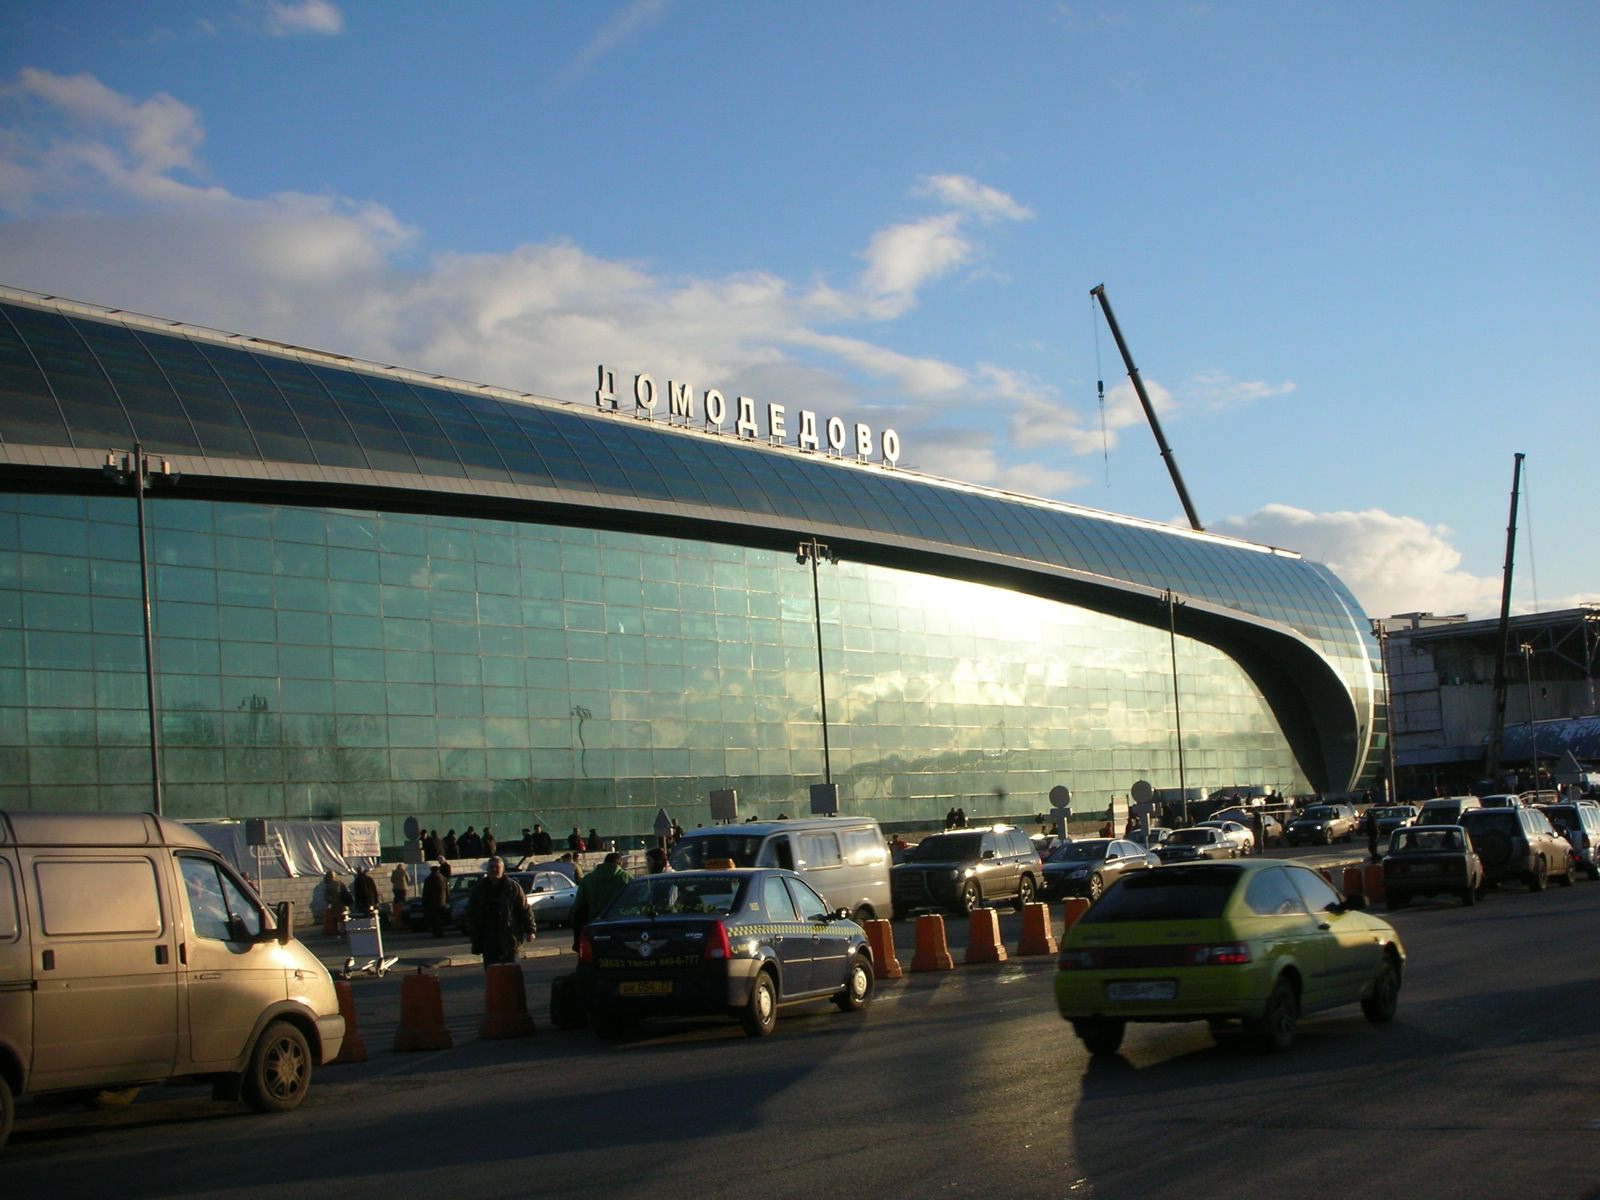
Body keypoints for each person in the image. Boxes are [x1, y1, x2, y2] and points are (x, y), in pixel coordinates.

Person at [466, 856, 533, 970]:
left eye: (497, 867)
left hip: (510, 936)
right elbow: (472, 913)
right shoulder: (479, 889)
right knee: (492, 972)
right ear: (487, 870)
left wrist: (530, 930)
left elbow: (524, 909)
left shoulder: (513, 887)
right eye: (491, 867)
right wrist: (473, 933)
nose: (494, 870)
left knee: (511, 972)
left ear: (503, 869)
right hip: (488, 937)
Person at [571, 851, 632, 950]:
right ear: (620, 864)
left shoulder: (588, 879)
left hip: (594, 926)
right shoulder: (625, 878)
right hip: (620, 926)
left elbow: (578, 907)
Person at [422, 863, 449, 938]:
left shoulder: (428, 879)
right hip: (442, 901)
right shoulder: (443, 878)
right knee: (440, 917)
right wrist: (447, 898)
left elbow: (425, 892)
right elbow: (447, 890)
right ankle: (440, 932)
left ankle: (436, 932)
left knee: (434, 918)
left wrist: (424, 901)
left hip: (432, 902)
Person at [322, 869, 351, 935]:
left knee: (335, 918)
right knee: (343, 917)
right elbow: (347, 892)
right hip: (342, 903)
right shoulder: (340, 883)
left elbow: (326, 897)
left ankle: (337, 931)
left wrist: (330, 901)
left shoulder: (328, 885)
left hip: (334, 904)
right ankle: (345, 930)